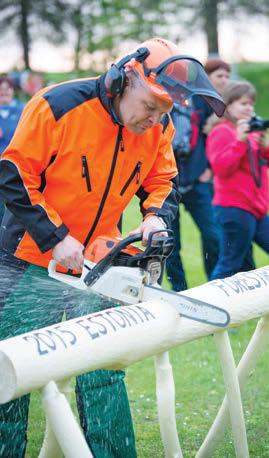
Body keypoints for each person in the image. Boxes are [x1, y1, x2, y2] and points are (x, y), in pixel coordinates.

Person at [0, 37, 224, 457]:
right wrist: (56, 237)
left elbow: (163, 178)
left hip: (101, 261)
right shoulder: (58, 105)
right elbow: (15, 174)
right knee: (10, 373)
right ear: (125, 79)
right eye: (150, 106)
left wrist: (156, 215)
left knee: (103, 369)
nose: (155, 119)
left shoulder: (158, 124)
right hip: (29, 258)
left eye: (165, 111)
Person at [166, 58, 255, 291]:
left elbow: (211, 131)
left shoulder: (199, 98)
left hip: (197, 179)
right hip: (166, 183)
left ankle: (216, 288)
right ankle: (179, 291)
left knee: (214, 235)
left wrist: (209, 168)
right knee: (170, 244)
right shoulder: (160, 98)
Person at [206, 81, 269, 280]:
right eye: (243, 103)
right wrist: (239, 141)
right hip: (234, 209)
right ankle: (207, 308)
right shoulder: (221, 131)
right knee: (230, 265)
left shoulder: (250, 130)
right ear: (227, 105)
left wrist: (265, 144)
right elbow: (221, 168)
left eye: (251, 104)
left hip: (256, 209)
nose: (249, 108)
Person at [0, 76, 24, 220]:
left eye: (6, 89)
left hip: (16, 164)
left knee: (14, 199)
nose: (3, 92)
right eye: (0, 89)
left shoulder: (22, 109)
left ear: (12, 90)